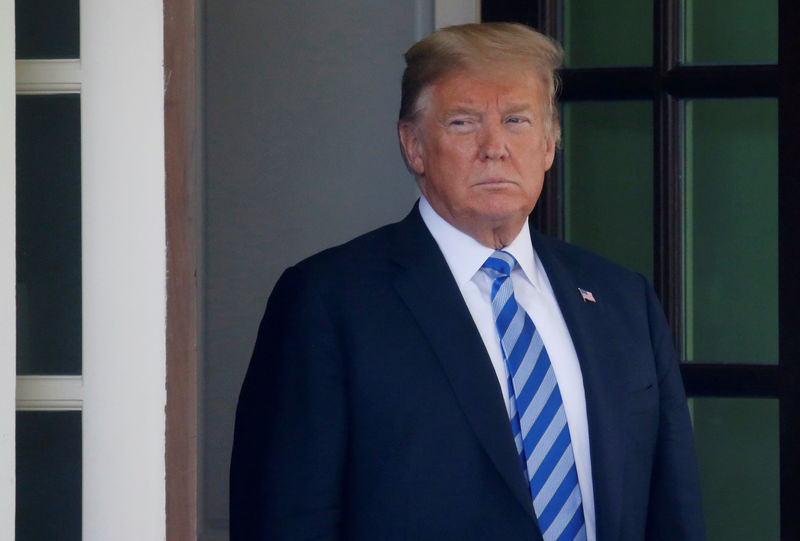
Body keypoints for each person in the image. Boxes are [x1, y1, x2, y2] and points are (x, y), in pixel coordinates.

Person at [230, 22, 705, 541]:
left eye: (517, 120)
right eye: (462, 122)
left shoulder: (621, 298)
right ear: (414, 146)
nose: (494, 146)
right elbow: (287, 518)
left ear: (549, 145)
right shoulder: (327, 301)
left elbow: (672, 512)